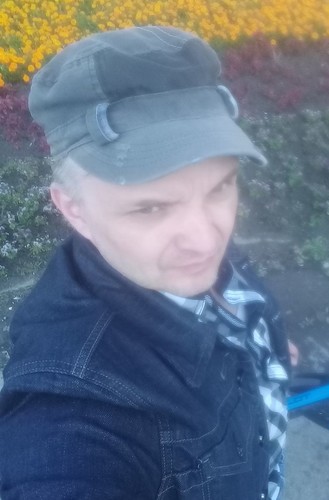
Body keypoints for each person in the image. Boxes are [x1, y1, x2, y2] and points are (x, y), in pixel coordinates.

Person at [0, 26, 296, 499]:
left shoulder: (169, 255)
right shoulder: (71, 425)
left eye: (220, 187)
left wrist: (266, 348)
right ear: (74, 209)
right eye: (151, 208)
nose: (207, 239)